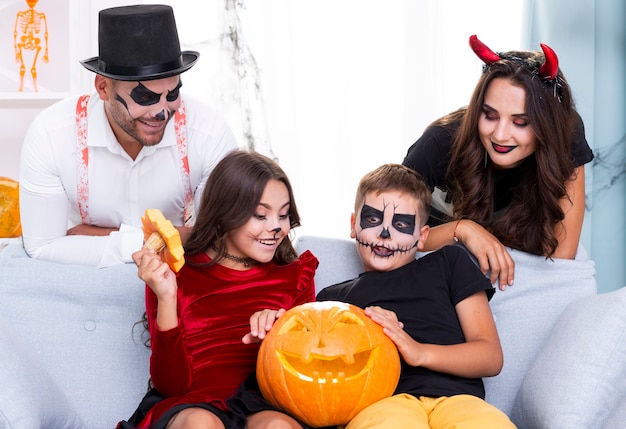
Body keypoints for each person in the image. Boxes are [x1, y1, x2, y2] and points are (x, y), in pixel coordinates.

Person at [19, 4, 238, 267]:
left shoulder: (209, 133)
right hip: (87, 281)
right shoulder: (51, 134)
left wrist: (97, 236)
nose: (161, 113)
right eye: (145, 97)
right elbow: (42, 246)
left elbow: (223, 240)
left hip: (178, 282)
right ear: (103, 88)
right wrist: (161, 239)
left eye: (172, 94)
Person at [119, 150, 318, 429]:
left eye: (284, 215)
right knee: (201, 423)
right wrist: (166, 296)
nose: (276, 226)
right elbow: (171, 386)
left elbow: (308, 377)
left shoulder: (296, 277)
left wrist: (284, 333)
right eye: (260, 215)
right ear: (225, 214)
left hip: (265, 403)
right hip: (191, 404)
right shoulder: (173, 272)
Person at [312, 164, 514, 428]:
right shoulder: (333, 299)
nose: (384, 234)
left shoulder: (448, 264)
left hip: (460, 401)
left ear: (422, 237)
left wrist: (418, 352)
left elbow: (490, 356)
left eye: (401, 224)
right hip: (384, 403)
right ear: (353, 225)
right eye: (372, 220)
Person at [402, 35, 594, 289]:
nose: (500, 135)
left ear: (548, 125)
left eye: (520, 122)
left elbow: (564, 254)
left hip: (517, 269)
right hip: (436, 266)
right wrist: (463, 230)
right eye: (490, 116)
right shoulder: (438, 142)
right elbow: (392, 236)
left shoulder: (566, 132)